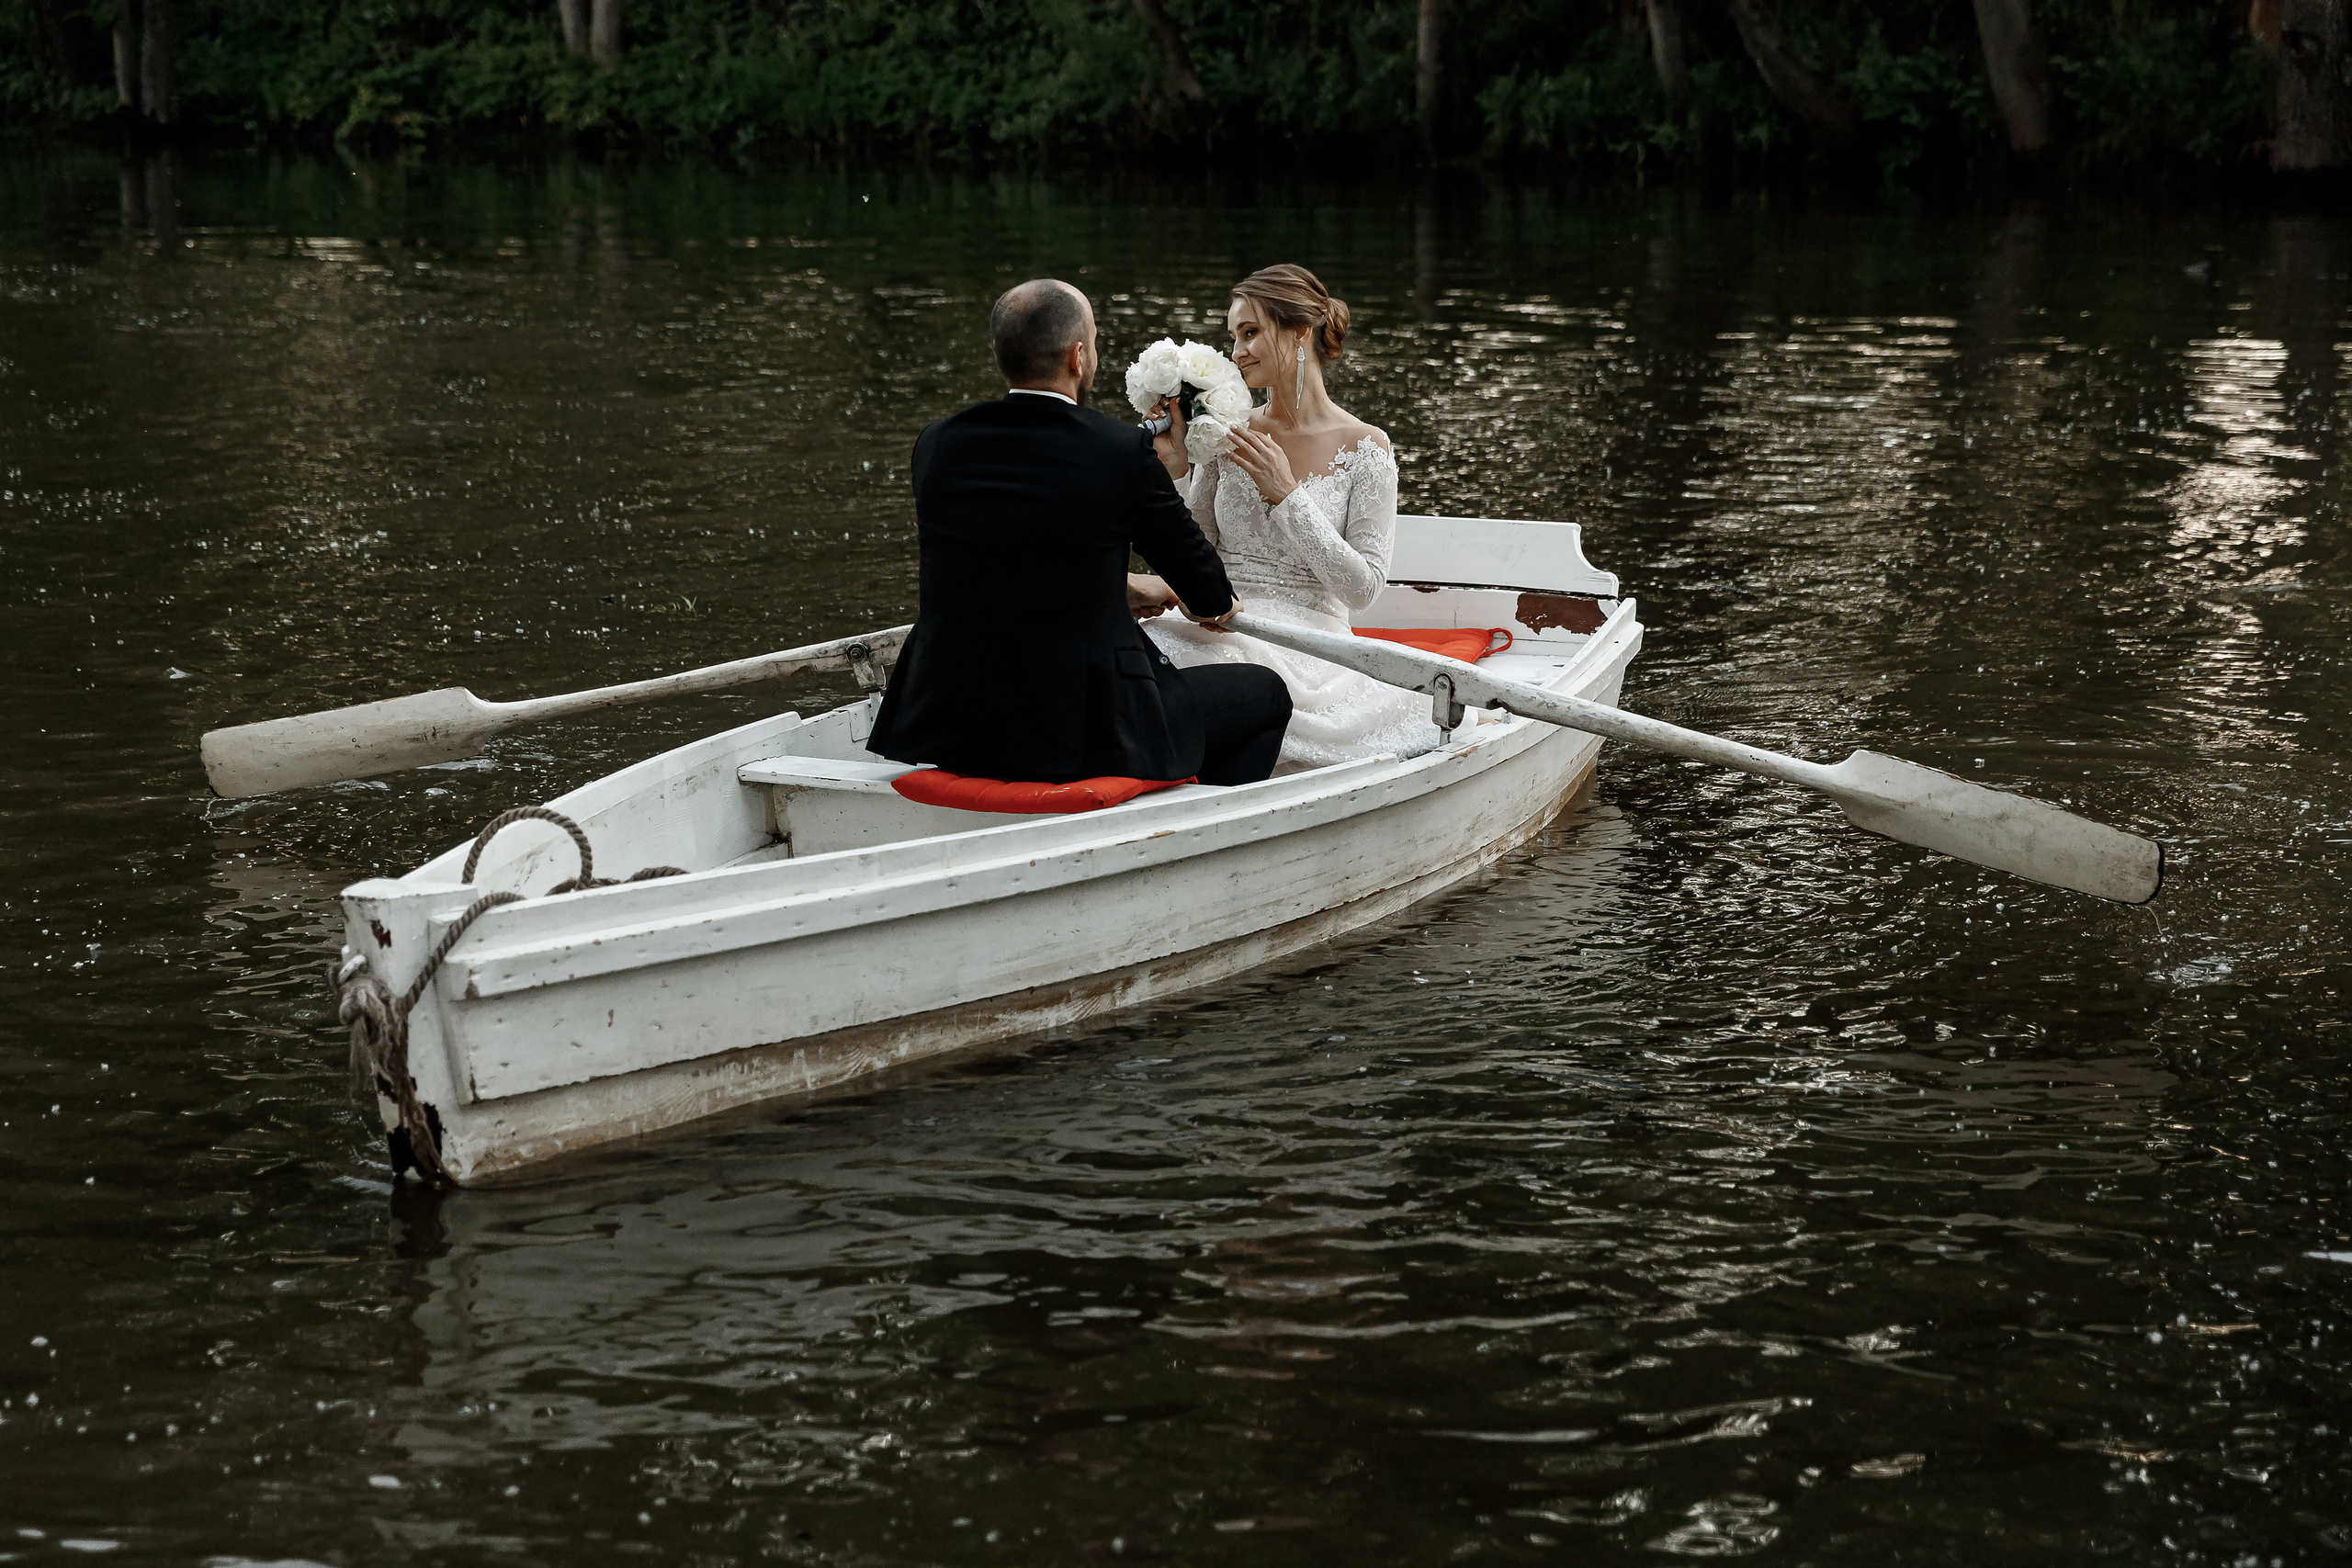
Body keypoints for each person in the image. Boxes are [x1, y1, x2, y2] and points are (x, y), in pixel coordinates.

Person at [867, 279, 1293, 788]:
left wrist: (1127, 588)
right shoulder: (1117, 451)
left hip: (948, 719)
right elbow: (1208, 595)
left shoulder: (935, 445)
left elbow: (1003, 557)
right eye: (1093, 342)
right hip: (1076, 730)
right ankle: (1194, 836)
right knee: (1267, 694)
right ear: (1077, 356)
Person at [1136, 264, 1464, 773]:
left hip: (1309, 643)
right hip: (1222, 618)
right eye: (1233, 336)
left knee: (1214, 674)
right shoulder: (1228, 432)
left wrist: (1287, 496)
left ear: (1299, 333)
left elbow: (1364, 590)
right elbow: (1195, 548)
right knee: (1136, 650)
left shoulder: (1367, 448)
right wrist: (1177, 470)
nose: (1236, 351)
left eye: (1250, 333)